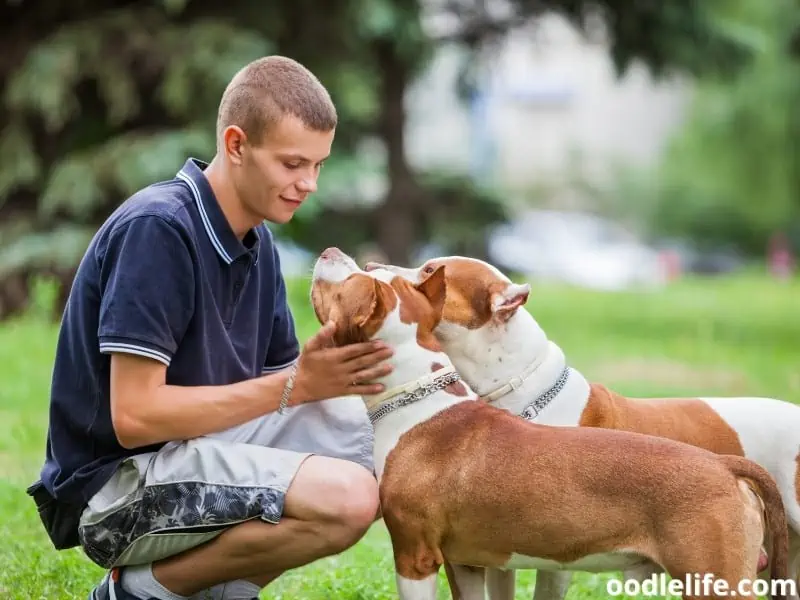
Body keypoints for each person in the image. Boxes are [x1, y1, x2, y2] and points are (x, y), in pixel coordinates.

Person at [27, 55, 393, 600]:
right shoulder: (159, 229)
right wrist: (299, 384)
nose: (309, 183)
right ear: (237, 144)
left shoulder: (258, 243)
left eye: (318, 165)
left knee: (390, 442)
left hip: (200, 451)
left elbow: (285, 399)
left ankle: (217, 594)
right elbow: (134, 417)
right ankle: (136, 593)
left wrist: (333, 369)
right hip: (113, 492)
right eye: (293, 163)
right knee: (348, 497)